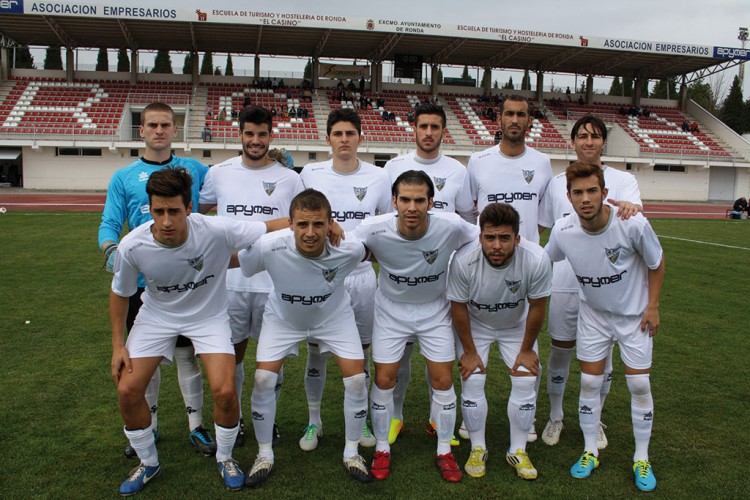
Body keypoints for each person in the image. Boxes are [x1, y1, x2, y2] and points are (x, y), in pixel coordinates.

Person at [110, 167, 277, 494]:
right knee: (128, 390)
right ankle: (148, 463)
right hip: (156, 317)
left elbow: (271, 226)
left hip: (208, 318)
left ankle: (225, 457)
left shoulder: (215, 229)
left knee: (226, 392)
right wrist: (118, 345)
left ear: (189, 208)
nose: (167, 220)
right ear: (151, 209)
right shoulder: (133, 246)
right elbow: (120, 293)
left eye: (174, 211)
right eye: (159, 211)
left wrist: (326, 223)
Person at [98, 102, 216, 461]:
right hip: (141, 283)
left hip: (186, 280)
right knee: (141, 359)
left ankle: (196, 426)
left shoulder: (195, 169)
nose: (160, 130)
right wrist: (111, 252)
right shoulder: (123, 177)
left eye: (166, 124)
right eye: (153, 125)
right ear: (142, 130)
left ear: (175, 129)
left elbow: (225, 200)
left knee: (186, 356)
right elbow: (109, 223)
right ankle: (149, 423)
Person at [544, 161, 665, 492]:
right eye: (578, 192)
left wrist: (652, 306)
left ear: (605, 193)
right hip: (594, 316)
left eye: (592, 191)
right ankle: (589, 450)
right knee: (589, 382)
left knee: (639, 385)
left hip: (634, 316)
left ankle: (641, 457)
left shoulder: (632, 223)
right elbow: (543, 261)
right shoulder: (563, 230)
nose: (585, 198)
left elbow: (656, 262)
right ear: (568, 197)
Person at [240, 189, 372, 486]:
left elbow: (365, 252)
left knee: (356, 380)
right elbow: (244, 265)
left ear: (330, 224)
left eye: (318, 224)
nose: (310, 233)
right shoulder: (268, 246)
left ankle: (352, 452)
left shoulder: (349, 249)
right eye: (302, 225)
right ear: (291, 224)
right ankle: (264, 454)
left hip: (334, 318)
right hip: (283, 320)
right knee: (263, 379)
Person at [355, 170, 479, 483]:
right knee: (384, 379)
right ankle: (382, 448)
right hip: (390, 312)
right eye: (406, 200)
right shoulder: (373, 228)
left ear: (431, 202)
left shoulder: (450, 224)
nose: (412, 207)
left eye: (419, 200)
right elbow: (345, 247)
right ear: (394, 201)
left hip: (434, 311)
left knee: (442, 380)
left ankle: (443, 451)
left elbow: (480, 238)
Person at [199, 106, 304, 449]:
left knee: (271, 358)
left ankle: (268, 418)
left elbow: (299, 221)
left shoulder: (290, 178)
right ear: (240, 134)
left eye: (262, 134)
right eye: (249, 134)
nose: (256, 141)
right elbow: (197, 215)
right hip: (229, 283)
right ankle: (239, 418)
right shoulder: (219, 173)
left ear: (271, 136)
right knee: (233, 355)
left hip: (276, 282)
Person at [538, 115, 643, 450]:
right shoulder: (556, 183)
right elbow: (548, 229)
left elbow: (634, 216)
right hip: (566, 281)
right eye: (582, 136)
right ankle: (556, 415)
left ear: (603, 143)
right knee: (561, 351)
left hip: (608, 286)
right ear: (572, 142)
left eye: (595, 136)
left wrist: (629, 207)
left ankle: (595, 419)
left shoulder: (624, 180)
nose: (588, 141)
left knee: (602, 359)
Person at [298, 109, 392, 452]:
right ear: (327, 139)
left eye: (350, 133)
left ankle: (361, 416)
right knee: (316, 351)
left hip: (362, 276)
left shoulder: (379, 178)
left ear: (359, 139)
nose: (344, 139)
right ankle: (314, 420)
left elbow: (382, 227)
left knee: (362, 351)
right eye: (337, 133)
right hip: (319, 278)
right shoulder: (311, 173)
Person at [383, 103, 476, 448]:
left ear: (443, 130)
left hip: (444, 277)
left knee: (440, 354)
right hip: (404, 275)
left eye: (435, 127)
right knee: (401, 353)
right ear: (414, 128)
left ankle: (439, 421)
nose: (428, 133)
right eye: (423, 126)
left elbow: (466, 219)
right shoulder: (394, 166)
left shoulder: (457, 170)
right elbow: (385, 217)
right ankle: (395, 416)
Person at [467, 94, 553, 442]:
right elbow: (468, 212)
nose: (515, 119)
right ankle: (469, 419)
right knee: (474, 351)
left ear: (529, 121)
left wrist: (523, 247)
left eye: (521, 114)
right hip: (485, 266)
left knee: (527, 350)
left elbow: (542, 220)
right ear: (498, 120)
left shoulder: (543, 163)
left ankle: (526, 419)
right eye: (509, 114)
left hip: (523, 270)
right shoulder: (478, 161)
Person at [449, 203, 551, 480]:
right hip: (476, 325)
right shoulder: (463, 260)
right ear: (480, 236)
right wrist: (469, 351)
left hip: (516, 326)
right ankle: (477, 447)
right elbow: (458, 307)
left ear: (517, 239)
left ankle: (518, 450)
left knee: (525, 379)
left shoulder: (536, 258)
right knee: (472, 379)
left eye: (504, 238)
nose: (496, 245)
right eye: (489, 237)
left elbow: (538, 306)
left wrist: (528, 348)